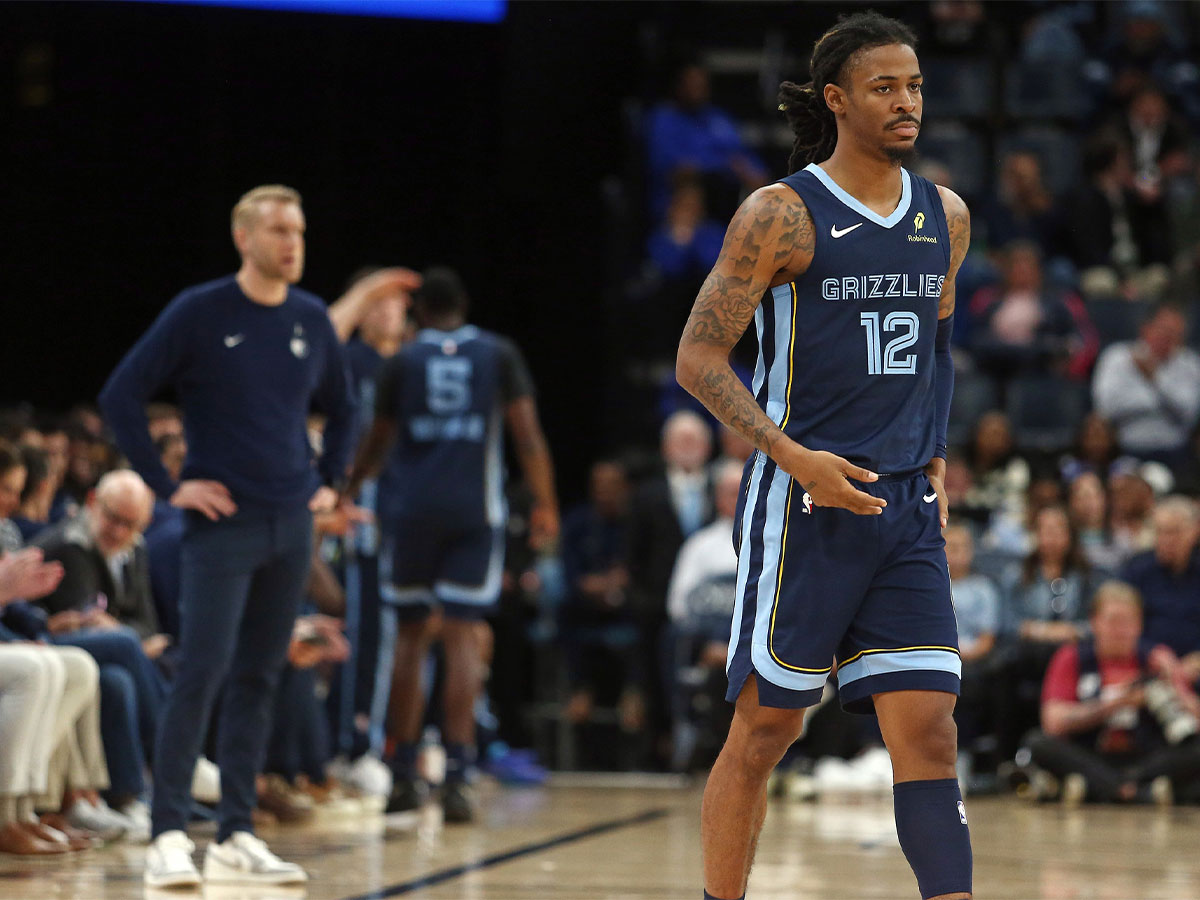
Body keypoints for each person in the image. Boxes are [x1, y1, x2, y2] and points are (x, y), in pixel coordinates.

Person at [674, 13, 972, 900]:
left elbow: (937, 349)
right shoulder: (780, 214)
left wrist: (937, 459)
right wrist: (792, 457)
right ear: (838, 100)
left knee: (930, 733)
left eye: (914, 84)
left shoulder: (945, 215)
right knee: (764, 732)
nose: (907, 100)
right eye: (886, 87)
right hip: (805, 507)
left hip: (905, 512)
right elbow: (698, 358)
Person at [99, 184, 355, 888]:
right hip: (220, 526)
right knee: (202, 673)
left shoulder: (309, 318)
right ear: (244, 238)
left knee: (260, 677)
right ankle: (169, 832)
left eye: (298, 229)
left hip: (290, 524)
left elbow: (345, 406)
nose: (292, 242)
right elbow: (121, 394)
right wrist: (164, 483)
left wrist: (330, 479)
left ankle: (237, 831)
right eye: (278, 229)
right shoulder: (201, 311)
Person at [344, 266, 558, 824]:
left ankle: (402, 774)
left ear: (419, 314)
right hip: (472, 513)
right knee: (463, 638)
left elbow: (377, 441)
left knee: (410, 639)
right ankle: (460, 775)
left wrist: (346, 488)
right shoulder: (496, 353)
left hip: (410, 513)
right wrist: (545, 505)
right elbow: (528, 437)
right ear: (463, 307)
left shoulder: (403, 360)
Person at [1028, 580, 1200, 804]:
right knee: (1037, 742)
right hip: (1092, 755)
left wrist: (1176, 688)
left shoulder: (1157, 659)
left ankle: (1100, 788)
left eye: (1129, 622)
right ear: (1094, 622)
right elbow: (1052, 722)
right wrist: (1116, 703)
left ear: (1140, 625)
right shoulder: (1072, 657)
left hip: (1146, 758)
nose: (1121, 631)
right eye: (1113, 621)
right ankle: (1144, 792)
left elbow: (1193, 720)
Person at [1092, 303, 1200, 465]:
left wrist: (1155, 378)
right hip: (1127, 449)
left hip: (1176, 451)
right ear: (1146, 328)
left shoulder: (1190, 363)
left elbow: (1189, 412)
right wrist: (1163, 402)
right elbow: (1106, 407)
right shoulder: (1118, 357)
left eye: (1176, 334)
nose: (1169, 338)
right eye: (1164, 331)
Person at [1120, 496, 1200, 672]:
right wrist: (1149, 651)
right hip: (1144, 665)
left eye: (1174, 532)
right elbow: (1120, 622)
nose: (1166, 540)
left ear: (1194, 531)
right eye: (1160, 532)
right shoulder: (1137, 568)